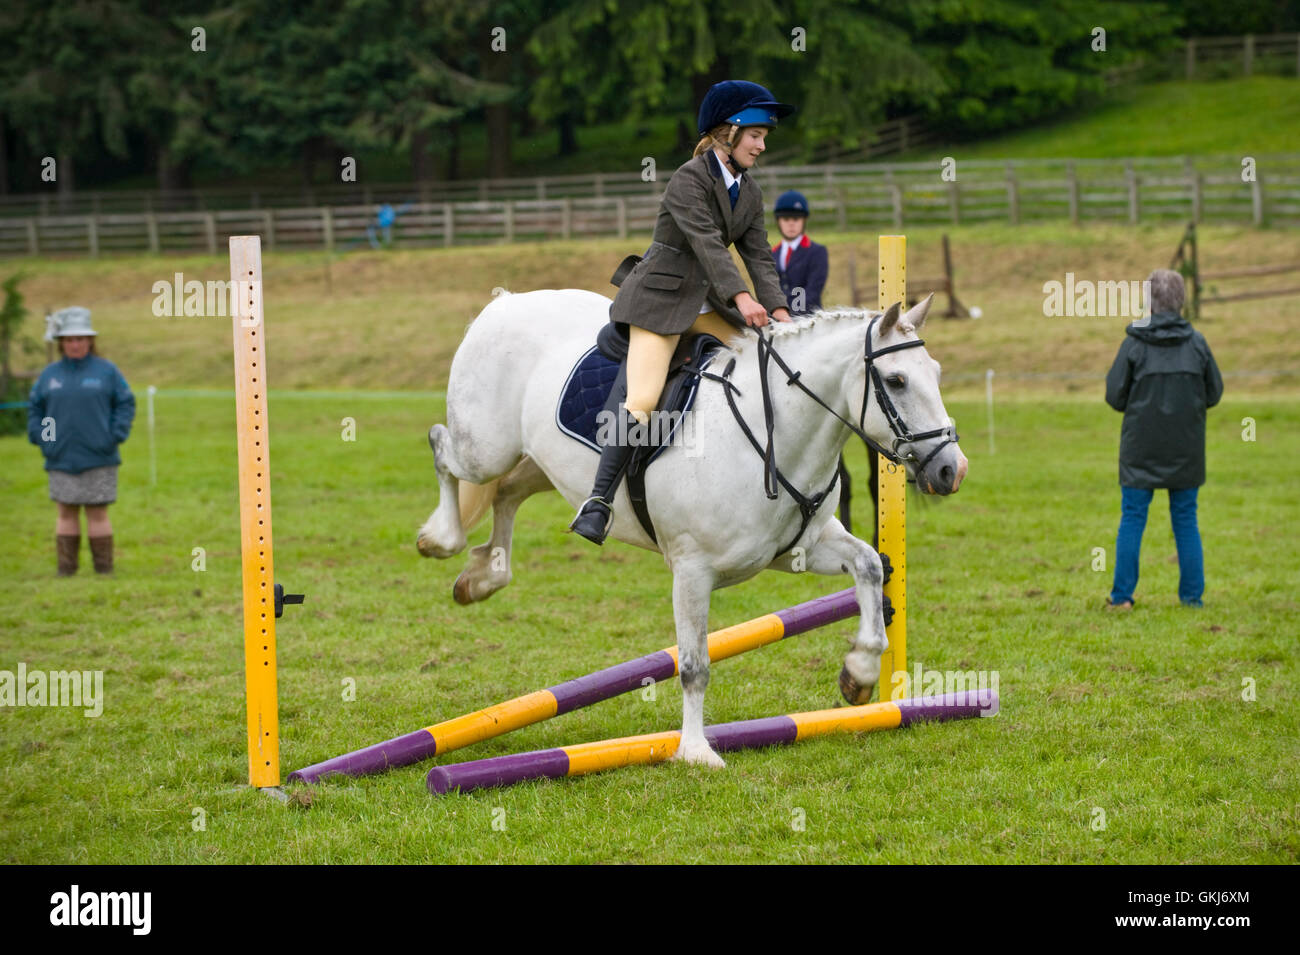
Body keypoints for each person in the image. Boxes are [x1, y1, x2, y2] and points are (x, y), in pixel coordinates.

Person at [568, 80, 796, 544]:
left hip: (705, 303)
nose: (762, 144)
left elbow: (759, 255)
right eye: (755, 134)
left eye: (764, 137)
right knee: (644, 400)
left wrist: (777, 307)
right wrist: (742, 299)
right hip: (657, 301)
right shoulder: (687, 180)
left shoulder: (749, 192)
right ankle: (598, 502)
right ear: (727, 133)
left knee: (765, 361)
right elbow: (709, 247)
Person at [1104, 269, 1222, 609]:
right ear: (1181, 301)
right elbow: (1214, 393)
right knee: (1186, 518)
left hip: (1140, 449)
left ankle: (1122, 597)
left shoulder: (1134, 344)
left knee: (1133, 517)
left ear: (1149, 302)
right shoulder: (1197, 343)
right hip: (1186, 449)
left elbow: (1114, 396)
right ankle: (1192, 598)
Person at [27, 307, 135, 576]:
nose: (75, 344)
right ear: (61, 343)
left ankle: (104, 569)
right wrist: (46, 439)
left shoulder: (106, 372)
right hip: (60, 456)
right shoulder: (50, 375)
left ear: (90, 341)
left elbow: (125, 403)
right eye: (69, 339)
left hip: (99, 454)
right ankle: (66, 569)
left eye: (80, 339)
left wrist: (113, 434)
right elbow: (39, 410)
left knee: (97, 512)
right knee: (66, 512)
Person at [770, 190, 829, 314]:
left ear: (804, 220)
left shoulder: (817, 252)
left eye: (796, 219)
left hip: (808, 320)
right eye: (786, 219)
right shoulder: (771, 254)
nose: (791, 223)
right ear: (778, 221)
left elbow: (812, 293)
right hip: (777, 321)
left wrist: (790, 316)